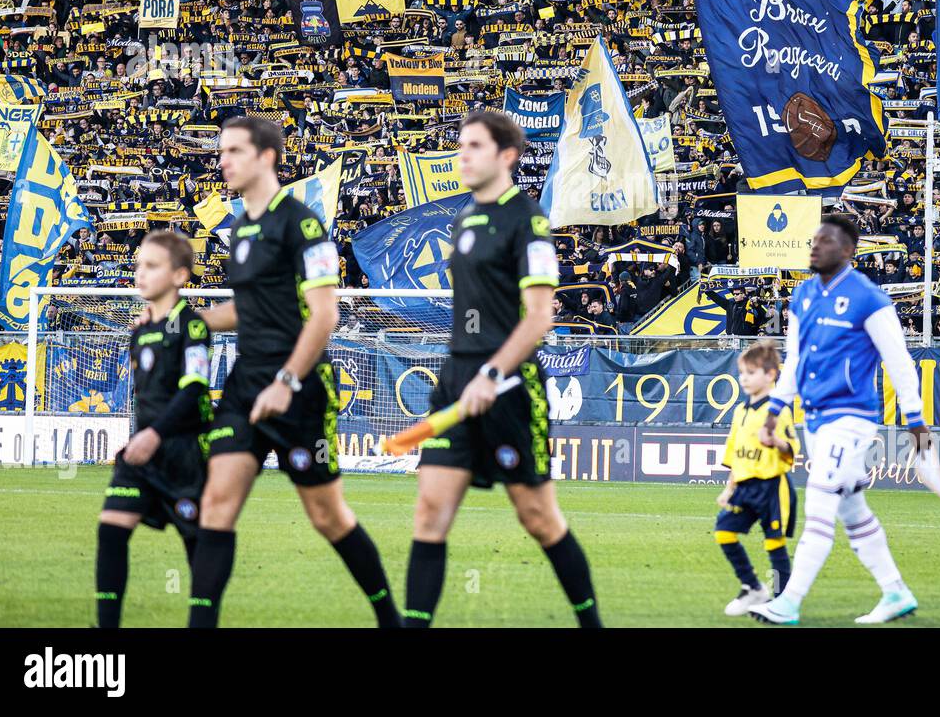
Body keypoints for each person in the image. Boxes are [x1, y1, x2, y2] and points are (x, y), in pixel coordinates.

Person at [186, 116, 401, 628]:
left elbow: (325, 314)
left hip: (298, 388)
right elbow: (247, 308)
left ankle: (389, 619)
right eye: (221, 151)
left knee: (327, 517)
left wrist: (285, 383)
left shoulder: (303, 224)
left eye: (234, 151)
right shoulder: (240, 230)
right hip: (245, 384)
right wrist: (188, 322)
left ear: (266, 157)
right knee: (216, 505)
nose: (222, 161)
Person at [405, 110, 601, 628]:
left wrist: (492, 375)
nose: (461, 155)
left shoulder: (529, 221)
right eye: (460, 145)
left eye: (473, 146)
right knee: (429, 514)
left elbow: (538, 318)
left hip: (509, 386)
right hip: (456, 380)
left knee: (538, 518)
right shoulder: (464, 218)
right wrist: (465, 375)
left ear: (506, 155)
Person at [749, 215, 928, 626]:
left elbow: (899, 360)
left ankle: (788, 602)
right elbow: (795, 361)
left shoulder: (869, 298)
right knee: (854, 512)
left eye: (825, 241)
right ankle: (896, 592)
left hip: (852, 418)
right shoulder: (803, 296)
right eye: (814, 240)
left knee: (820, 502)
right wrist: (775, 410)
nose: (815, 246)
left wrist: (914, 416)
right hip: (816, 418)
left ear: (848, 251)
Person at [96, 231, 212, 627]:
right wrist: (142, 437)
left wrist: (154, 434)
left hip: (183, 456)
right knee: (111, 530)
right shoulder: (140, 330)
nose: (139, 273)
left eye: (151, 266)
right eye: (138, 265)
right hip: (140, 455)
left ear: (179, 275)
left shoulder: (193, 328)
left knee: (197, 546)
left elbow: (194, 388)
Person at [715, 342, 799, 616]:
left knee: (774, 544)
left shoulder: (778, 411)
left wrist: (775, 441)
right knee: (724, 532)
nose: (745, 378)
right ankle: (753, 587)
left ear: (771, 374)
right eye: (742, 373)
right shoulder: (740, 411)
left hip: (772, 486)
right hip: (744, 486)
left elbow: (791, 450)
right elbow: (734, 454)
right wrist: (729, 487)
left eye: (751, 372)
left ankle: (781, 601)